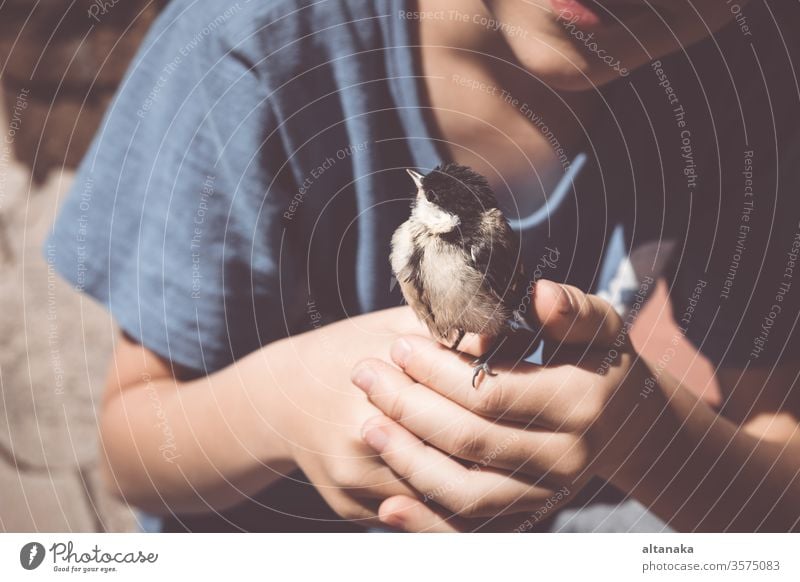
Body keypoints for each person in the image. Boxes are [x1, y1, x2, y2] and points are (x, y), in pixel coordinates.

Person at [47, 0, 800, 532]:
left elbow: (779, 487)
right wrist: (283, 400)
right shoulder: (255, 38)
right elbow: (130, 453)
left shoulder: (751, 81)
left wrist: (643, 434)